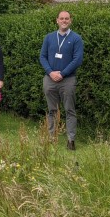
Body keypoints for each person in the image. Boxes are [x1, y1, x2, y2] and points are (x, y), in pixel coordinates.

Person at [40, 10, 84, 151]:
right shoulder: (49, 37)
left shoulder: (76, 38)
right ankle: (51, 138)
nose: (64, 21)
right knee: (52, 110)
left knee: (69, 110)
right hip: (50, 79)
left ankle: (71, 140)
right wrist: (50, 72)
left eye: (67, 18)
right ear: (57, 20)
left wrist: (63, 73)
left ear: (70, 21)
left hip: (68, 79)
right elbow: (42, 57)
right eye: (61, 18)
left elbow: (77, 59)